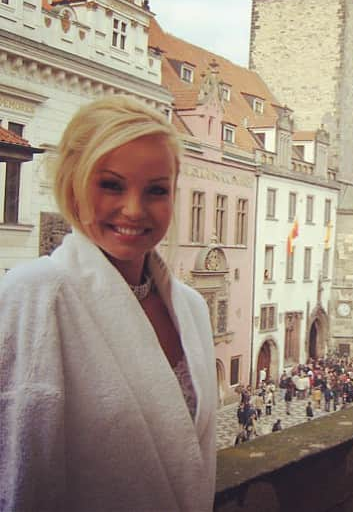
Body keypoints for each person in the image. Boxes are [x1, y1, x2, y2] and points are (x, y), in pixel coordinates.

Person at [0, 97, 216, 512]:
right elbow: (17, 478)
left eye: (156, 190)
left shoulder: (191, 309)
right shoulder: (35, 296)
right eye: (111, 184)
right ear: (73, 185)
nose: (134, 209)